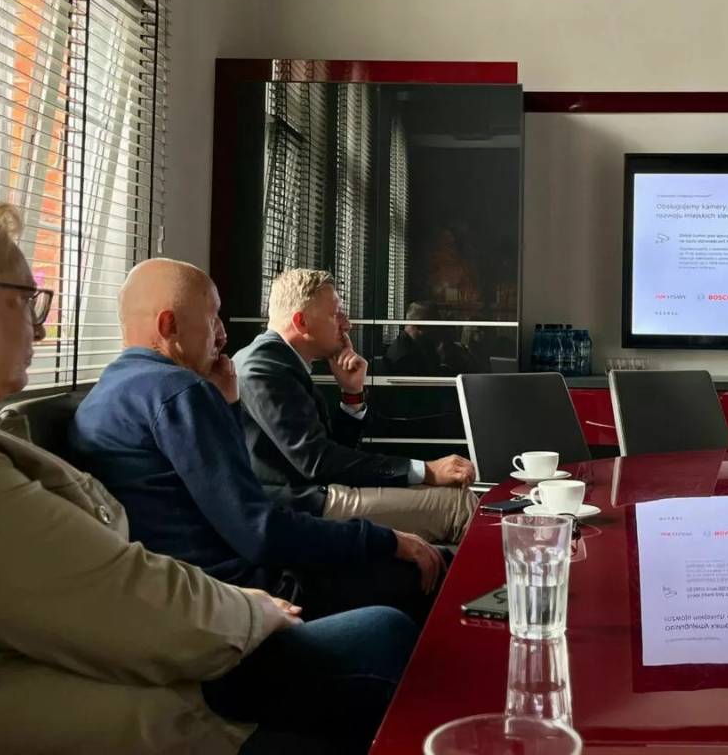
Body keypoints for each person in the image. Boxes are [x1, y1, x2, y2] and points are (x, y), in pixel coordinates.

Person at [0, 192, 414, 754]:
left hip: (132, 672)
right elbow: (122, 599)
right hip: (137, 711)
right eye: (27, 301)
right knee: (385, 633)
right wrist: (253, 607)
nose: (41, 328)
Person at [68, 258, 446, 622]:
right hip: (242, 590)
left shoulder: (108, 391)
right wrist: (386, 540)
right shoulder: (180, 392)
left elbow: (225, 496)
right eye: (212, 318)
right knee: (435, 565)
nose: (222, 334)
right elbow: (259, 531)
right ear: (169, 325)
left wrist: (230, 404)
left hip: (190, 587)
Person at [236, 271, 477, 544]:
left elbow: (332, 452)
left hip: (318, 488)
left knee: (458, 497)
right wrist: (426, 470)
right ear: (301, 322)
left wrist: (352, 393)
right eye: (336, 315)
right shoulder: (263, 368)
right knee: (458, 506)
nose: (347, 324)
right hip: (299, 503)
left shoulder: (278, 361)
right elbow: (317, 462)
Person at [383, 300, 443, 376]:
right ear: (420, 326)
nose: (437, 332)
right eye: (434, 327)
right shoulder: (405, 358)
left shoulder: (420, 345)